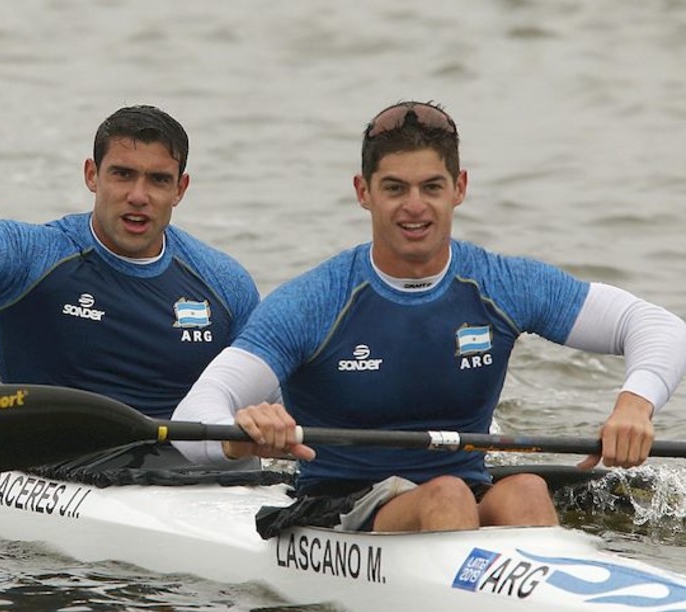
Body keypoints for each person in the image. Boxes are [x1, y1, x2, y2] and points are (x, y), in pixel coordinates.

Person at [172, 100, 686, 535]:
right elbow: (193, 417)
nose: (414, 207)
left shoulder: (502, 284)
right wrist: (243, 433)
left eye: (431, 187)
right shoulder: (314, 301)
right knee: (447, 498)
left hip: (461, 490)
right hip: (338, 504)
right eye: (395, 188)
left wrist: (635, 406)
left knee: (525, 490)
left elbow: (657, 326)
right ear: (363, 192)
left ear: (459, 187)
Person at [0, 75, 260, 432]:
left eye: (158, 180)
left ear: (180, 189)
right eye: (123, 174)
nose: (138, 196)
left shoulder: (225, 284)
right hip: (55, 464)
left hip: (187, 476)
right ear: (92, 175)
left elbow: (270, 395)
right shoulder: (34, 256)